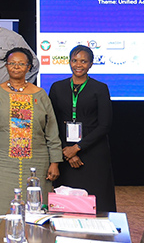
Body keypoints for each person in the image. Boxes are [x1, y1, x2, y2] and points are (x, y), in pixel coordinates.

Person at [0, 48, 61, 243]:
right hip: (0, 163)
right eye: (12, 63)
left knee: (35, 207)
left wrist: (55, 162)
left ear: (29, 67)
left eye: (21, 64)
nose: (16, 67)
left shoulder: (40, 95)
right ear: (6, 66)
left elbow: (51, 131)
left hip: (37, 162)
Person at [48, 45, 116, 214]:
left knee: (96, 202)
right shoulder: (57, 87)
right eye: (74, 60)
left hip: (92, 154)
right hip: (65, 153)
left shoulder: (100, 88)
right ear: (69, 62)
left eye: (83, 61)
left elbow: (105, 125)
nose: (78, 65)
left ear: (91, 64)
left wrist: (77, 148)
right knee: (67, 203)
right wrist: (67, 151)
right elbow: (52, 122)